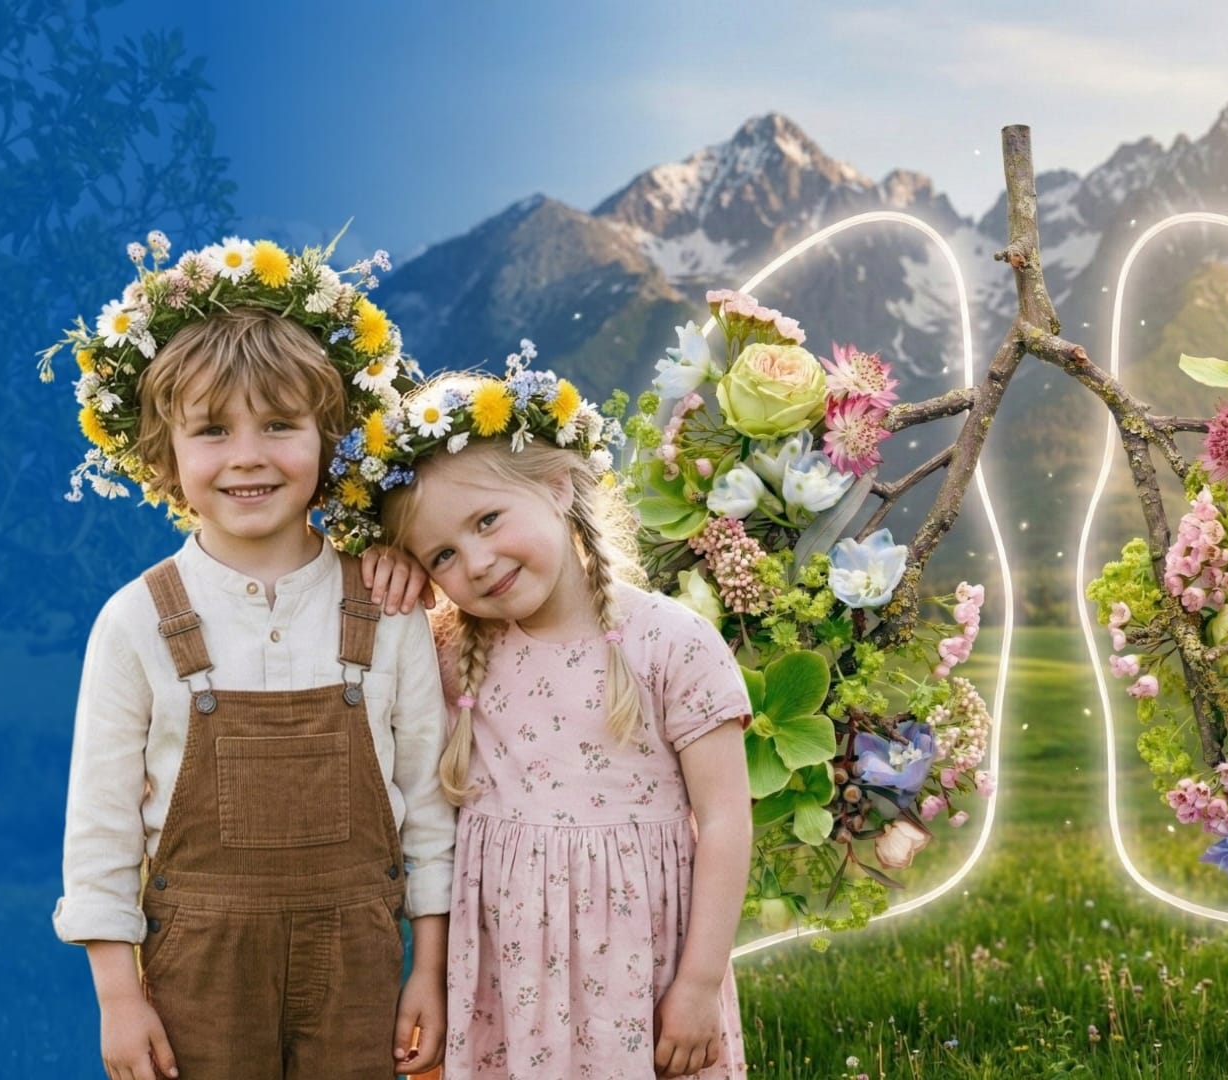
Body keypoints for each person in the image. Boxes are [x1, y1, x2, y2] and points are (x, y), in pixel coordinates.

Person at [47, 235, 451, 1079]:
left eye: (280, 424)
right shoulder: (135, 622)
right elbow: (100, 827)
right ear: (164, 457)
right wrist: (119, 998)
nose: (248, 456)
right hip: (198, 975)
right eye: (211, 431)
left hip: (362, 970)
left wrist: (433, 974)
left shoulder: (388, 609)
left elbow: (429, 804)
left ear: (328, 437)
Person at [363, 364, 753, 1078]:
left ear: (556, 486)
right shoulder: (446, 655)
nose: (476, 563)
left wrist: (698, 984)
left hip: (644, 968)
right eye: (442, 555)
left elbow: (726, 820)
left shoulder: (670, 643)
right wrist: (388, 568)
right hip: (508, 981)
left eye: (487, 521)